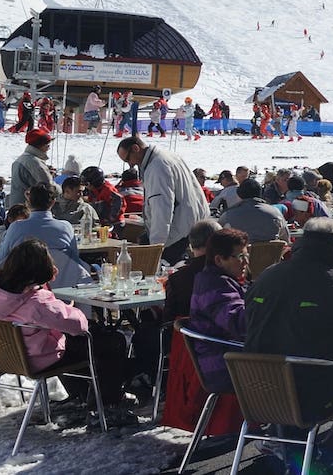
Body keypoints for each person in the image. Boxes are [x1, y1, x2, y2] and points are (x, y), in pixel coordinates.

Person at [244, 218, 333, 469]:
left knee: (307, 366)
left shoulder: (265, 276)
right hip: (313, 394)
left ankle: (295, 447)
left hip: (260, 389)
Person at [0, 238, 132, 417]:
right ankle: (107, 406)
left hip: (9, 354)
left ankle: (83, 394)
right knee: (111, 341)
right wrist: (68, 307)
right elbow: (78, 325)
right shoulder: (35, 302)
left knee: (81, 341)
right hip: (40, 357)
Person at [116, 135, 208, 263]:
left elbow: (161, 208)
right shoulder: (168, 156)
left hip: (176, 230)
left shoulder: (156, 167)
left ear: (136, 148)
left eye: (128, 159)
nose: (130, 164)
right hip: (191, 222)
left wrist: (156, 247)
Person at [0, 183, 91, 288]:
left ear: (28, 202)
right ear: (53, 202)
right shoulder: (65, 227)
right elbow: (74, 258)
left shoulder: (17, 227)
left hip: (25, 289)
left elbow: (1, 258)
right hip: (64, 289)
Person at [189, 228, 250, 393]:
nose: (246, 262)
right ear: (218, 260)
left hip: (234, 356)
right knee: (296, 368)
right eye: (240, 257)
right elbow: (237, 322)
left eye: (247, 256)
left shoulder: (226, 280)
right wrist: (268, 307)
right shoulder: (213, 284)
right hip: (224, 365)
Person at [219, 178, 289, 242]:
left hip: (242, 254)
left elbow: (217, 236)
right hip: (271, 254)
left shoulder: (229, 214)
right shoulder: (275, 212)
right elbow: (285, 238)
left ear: (239, 194)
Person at [7, 129, 54, 209]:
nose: (48, 149)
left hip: (17, 207)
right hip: (29, 209)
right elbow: (48, 187)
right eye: (47, 145)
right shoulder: (35, 163)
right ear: (41, 145)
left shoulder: (22, 159)